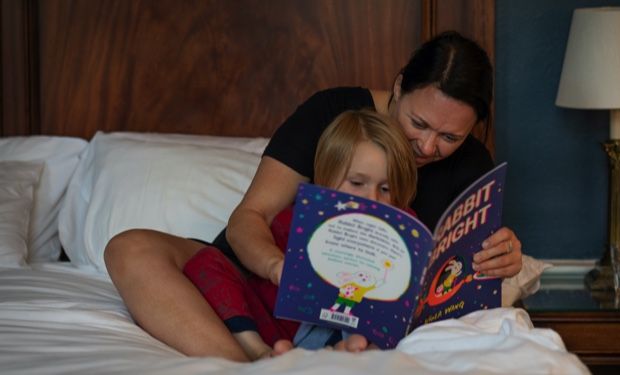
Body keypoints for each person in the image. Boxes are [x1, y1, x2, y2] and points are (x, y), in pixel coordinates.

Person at [104, 30, 523, 361]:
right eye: (418, 123)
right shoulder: (331, 113)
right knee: (130, 248)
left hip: (364, 306)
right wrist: (276, 268)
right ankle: (250, 363)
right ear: (399, 87)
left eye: (450, 136)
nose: (428, 148)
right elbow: (249, 217)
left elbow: (459, 273)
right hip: (268, 278)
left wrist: (502, 257)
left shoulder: (470, 164)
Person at [181, 109, 417, 360]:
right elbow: (262, 280)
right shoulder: (297, 218)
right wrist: (278, 267)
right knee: (205, 262)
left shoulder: (405, 225)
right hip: (283, 328)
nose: (372, 199)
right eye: (357, 183)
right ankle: (257, 350)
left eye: (385, 188)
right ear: (325, 178)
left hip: (360, 325)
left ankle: (349, 352)